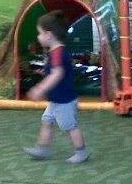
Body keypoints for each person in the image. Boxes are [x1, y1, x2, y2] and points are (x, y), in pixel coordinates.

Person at [23, 10, 90, 164]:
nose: (38, 37)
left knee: (70, 126)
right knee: (46, 121)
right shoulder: (54, 52)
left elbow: (57, 74)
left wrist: (40, 89)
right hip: (56, 100)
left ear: (49, 35)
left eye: (39, 33)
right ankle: (43, 149)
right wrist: (44, 72)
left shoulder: (58, 52)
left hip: (64, 100)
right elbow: (54, 71)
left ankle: (81, 151)